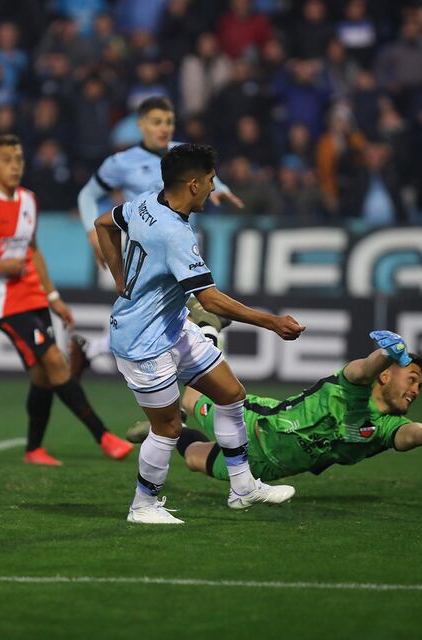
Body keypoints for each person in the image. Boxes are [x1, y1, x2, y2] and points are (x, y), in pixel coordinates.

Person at [93, 143, 306, 524]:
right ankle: (143, 505)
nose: (212, 188)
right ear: (192, 184)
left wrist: (120, 280)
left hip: (172, 327)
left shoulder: (146, 202)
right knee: (169, 427)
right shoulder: (176, 235)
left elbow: (103, 223)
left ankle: (242, 488)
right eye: (209, 181)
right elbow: (210, 299)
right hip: (141, 342)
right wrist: (272, 322)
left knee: (231, 394)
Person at [0, 134, 134, 466]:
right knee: (55, 361)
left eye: (18, 159)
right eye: (6, 160)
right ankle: (104, 436)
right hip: (0, 298)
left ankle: (34, 449)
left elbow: (32, 250)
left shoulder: (28, 199)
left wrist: (53, 296)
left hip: (31, 292)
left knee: (43, 375)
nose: (14, 166)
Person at [126, 331, 422, 486]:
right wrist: (386, 352)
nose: (416, 390)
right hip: (256, 425)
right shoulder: (353, 390)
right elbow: (361, 369)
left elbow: (416, 435)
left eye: (420, 386)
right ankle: (205, 329)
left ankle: (167, 431)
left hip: (268, 470)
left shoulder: (384, 428)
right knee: (189, 394)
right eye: (412, 379)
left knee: (192, 458)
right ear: (385, 375)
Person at [73, 96, 244, 373]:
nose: (163, 127)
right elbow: (87, 195)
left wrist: (221, 188)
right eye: (156, 122)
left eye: (168, 121)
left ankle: (91, 350)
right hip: (149, 254)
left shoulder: (182, 154)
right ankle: (198, 395)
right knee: (205, 317)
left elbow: (207, 176)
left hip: (184, 246)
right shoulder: (121, 162)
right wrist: (92, 234)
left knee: (164, 321)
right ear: (141, 125)